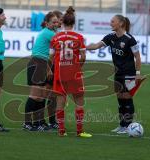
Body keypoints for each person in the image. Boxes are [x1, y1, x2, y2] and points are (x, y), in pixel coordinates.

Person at [86, 15, 141, 134]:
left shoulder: (129, 39)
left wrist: (137, 74)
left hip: (129, 74)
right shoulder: (110, 37)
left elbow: (137, 56)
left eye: (113, 21)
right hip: (118, 73)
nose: (110, 23)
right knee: (120, 100)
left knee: (127, 99)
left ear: (121, 23)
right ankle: (122, 125)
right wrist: (83, 47)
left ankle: (129, 125)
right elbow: (96, 46)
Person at [50, 6, 92, 137]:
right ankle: (80, 131)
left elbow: (50, 56)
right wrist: (78, 66)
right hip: (74, 73)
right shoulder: (79, 37)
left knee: (60, 102)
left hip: (60, 74)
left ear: (62, 23)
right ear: (74, 22)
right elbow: (83, 56)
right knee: (79, 101)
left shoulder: (55, 37)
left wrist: (56, 65)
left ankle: (61, 130)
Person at [23, 12, 58, 131]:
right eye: (53, 22)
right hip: (37, 64)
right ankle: (27, 123)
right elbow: (60, 45)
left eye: (56, 21)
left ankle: (38, 123)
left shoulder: (49, 32)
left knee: (40, 97)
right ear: (47, 23)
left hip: (40, 64)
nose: (56, 23)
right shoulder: (49, 33)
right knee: (35, 95)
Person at [45, 10, 63, 129]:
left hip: (58, 66)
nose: (60, 22)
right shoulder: (53, 34)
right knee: (49, 94)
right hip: (51, 65)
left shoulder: (59, 32)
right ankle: (45, 121)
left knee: (54, 95)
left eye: (60, 20)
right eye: (58, 20)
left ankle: (52, 121)